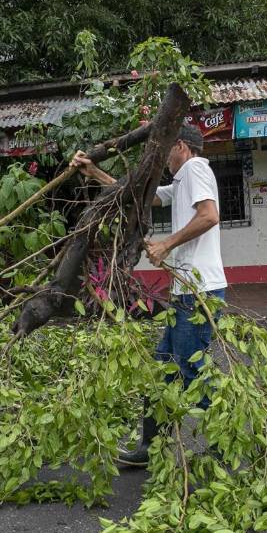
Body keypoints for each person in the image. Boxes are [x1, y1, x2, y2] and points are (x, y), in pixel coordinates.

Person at [71, 122, 226, 467]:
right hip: (186, 292)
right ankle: (150, 448)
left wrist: (167, 245)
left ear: (182, 147)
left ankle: (223, 441)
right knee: (163, 371)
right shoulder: (181, 180)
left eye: (167, 148)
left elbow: (209, 216)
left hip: (200, 293)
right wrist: (94, 171)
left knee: (190, 369)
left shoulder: (196, 168)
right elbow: (142, 196)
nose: (163, 158)